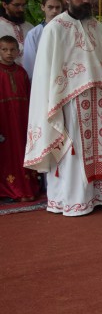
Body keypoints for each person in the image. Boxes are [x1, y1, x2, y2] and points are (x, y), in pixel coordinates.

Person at [24, 0, 102, 216]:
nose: (85, 0)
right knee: (75, 151)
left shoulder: (96, 26)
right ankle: (74, 199)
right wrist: (53, 102)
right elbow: (46, 72)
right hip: (70, 100)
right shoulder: (55, 28)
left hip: (100, 97)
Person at [0, 36, 39, 202]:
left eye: (12, 50)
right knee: (7, 155)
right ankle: (11, 189)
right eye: (4, 50)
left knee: (23, 152)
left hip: (22, 122)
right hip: (4, 122)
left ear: (18, 51)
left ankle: (27, 187)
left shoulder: (22, 73)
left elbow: (30, 98)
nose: (9, 53)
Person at [22, 0, 63, 78]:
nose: (54, 11)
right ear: (43, 7)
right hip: (43, 76)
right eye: (50, 7)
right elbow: (30, 63)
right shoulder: (34, 33)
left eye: (57, 7)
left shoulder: (69, 30)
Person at [0, 0, 32, 65]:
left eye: (23, 5)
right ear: (5, 5)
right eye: (17, 5)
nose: (21, 9)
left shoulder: (30, 27)